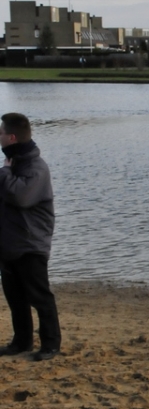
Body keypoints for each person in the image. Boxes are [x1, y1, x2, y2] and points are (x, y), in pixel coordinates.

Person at [0, 112, 61, 360]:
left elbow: (21, 197)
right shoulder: (14, 164)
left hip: (30, 243)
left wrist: (4, 173)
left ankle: (51, 344)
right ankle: (21, 342)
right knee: (15, 297)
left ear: (12, 137)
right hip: (10, 243)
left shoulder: (36, 167)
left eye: (1, 132)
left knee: (40, 296)